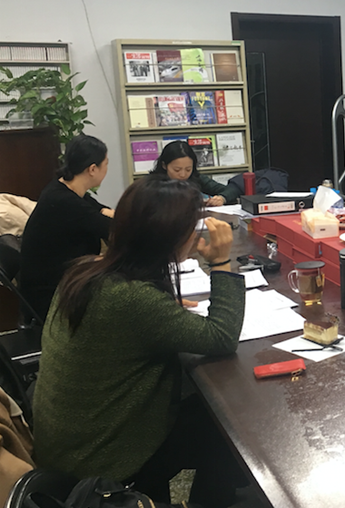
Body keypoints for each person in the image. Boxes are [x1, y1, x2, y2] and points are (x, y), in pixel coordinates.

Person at [33, 177, 246, 507]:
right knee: (223, 424)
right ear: (168, 236)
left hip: (65, 451)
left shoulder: (86, 272)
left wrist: (161, 308)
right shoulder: (134, 301)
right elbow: (222, 337)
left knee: (206, 410)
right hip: (101, 469)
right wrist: (220, 262)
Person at [19, 134, 114, 322]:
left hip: (64, 280)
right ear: (92, 169)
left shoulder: (64, 188)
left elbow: (102, 211)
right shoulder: (65, 201)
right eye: (106, 164)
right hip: (52, 295)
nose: (107, 169)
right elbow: (111, 228)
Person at [151, 140, 241, 206]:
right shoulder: (152, 185)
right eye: (177, 170)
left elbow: (231, 190)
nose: (183, 175)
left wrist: (222, 198)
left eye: (188, 169)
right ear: (164, 165)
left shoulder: (196, 178)